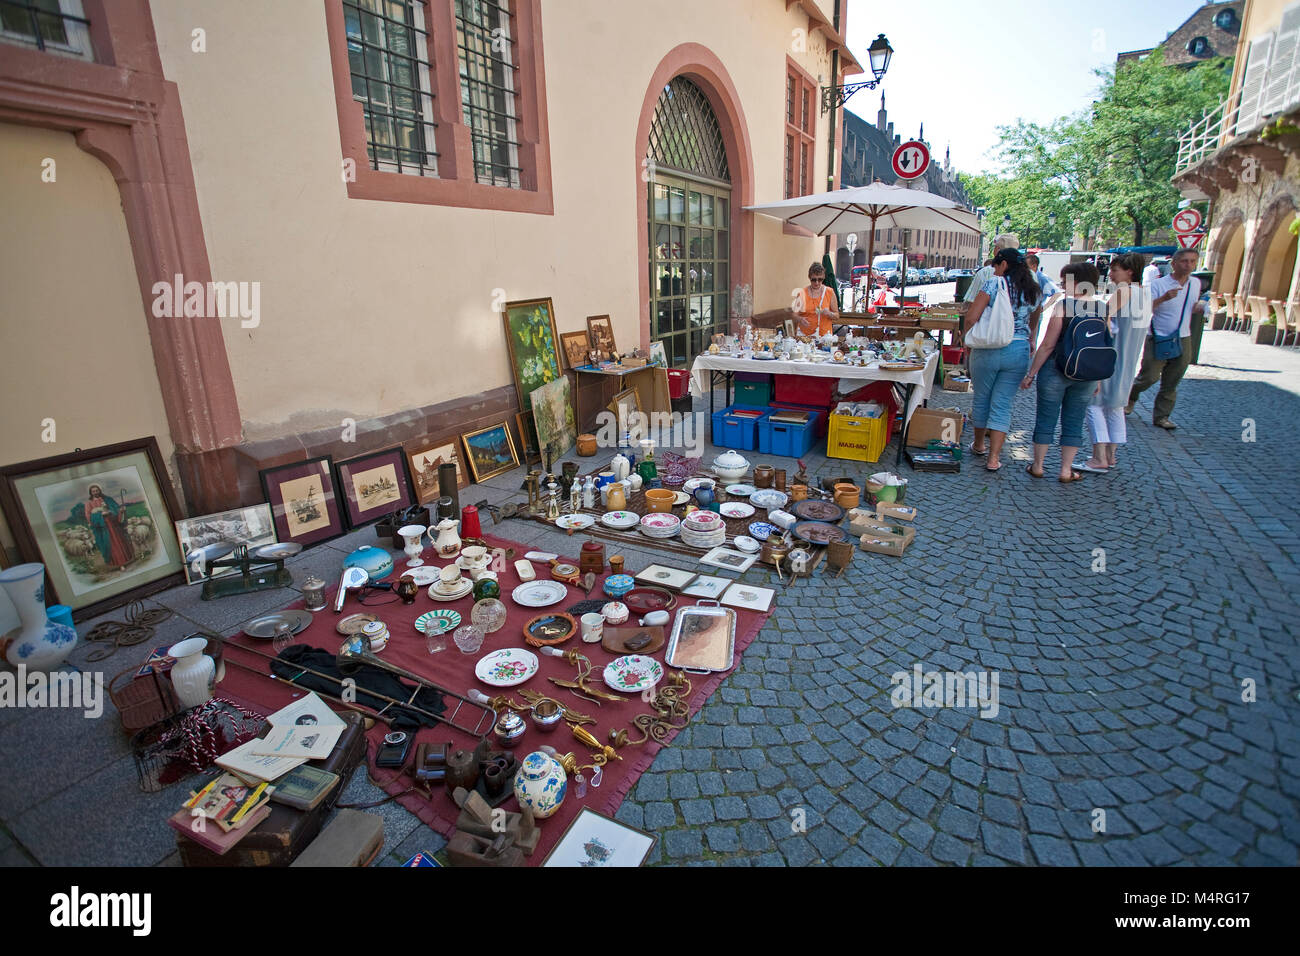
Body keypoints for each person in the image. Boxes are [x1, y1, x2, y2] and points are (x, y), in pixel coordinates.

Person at [1022, 262, 1104, 482]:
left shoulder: (1064, 306)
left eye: (1064, 280)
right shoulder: (1102, 308)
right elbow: (1103, 347)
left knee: (1046, 417)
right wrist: (1098, 380)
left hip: (1056, 369)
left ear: (1076, 282)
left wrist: (1031, 374)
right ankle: (1066, 470)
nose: (1061, 284)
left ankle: (1038, 465)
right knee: (1074, 421)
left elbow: (1048, 344)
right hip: (1087, 373)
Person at [963, 247, 1042, 471]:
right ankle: (994, 458)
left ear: (1004, 264)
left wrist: (966, 339)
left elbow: (972, 316)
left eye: (996, 266)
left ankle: (979, 445)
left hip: (988, 348)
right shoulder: (1033, 289)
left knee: (981, 398)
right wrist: (1030, 336)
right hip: (1017, 348)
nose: (995, 270)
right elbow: (1036, 316)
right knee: (1003, 403)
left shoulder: (993, 284)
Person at [1076, 253, 1148, 472]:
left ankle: (1099, 457)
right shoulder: (1144, 294)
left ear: (1130, 272)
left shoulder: (1124, 292)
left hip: (1111, 356)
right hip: (1128, 357)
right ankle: (1110, 455)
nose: (1112, 273)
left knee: (1094, 404)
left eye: (1116, 269)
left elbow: (1102, 317)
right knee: (1115, 406)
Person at [1127, 248, 1203, 429]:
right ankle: (1130, 395)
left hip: (1183, 337)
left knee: (1172, 380)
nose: (1189, 265)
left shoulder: (1195, 283)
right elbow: (1145, 308)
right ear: (1174, 264)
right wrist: (1163, 298)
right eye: (1184, 261)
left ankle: (1162, 416)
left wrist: (1199, 307)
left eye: (1192, 261)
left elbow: (1189, 307)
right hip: (1158, 335)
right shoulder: (1158, 285)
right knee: (1149, 377)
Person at [963, 234, 1020, 305]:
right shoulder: (1029, 274)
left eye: (995, 247)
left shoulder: (985, 272)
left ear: (998, 250)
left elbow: (970, 301)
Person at [793, 262, 838, 336]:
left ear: (823, 277)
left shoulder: (829, 292)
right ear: (809, 277)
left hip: (824, 336)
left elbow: (837, 315)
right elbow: (794, 315)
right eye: (814, 280)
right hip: (805, 337)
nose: (817, 283)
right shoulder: (802, 293)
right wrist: (800, 319)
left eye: (820, 279)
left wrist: (829, 313)